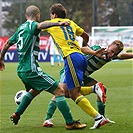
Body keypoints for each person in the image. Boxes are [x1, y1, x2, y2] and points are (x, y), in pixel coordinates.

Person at [0, 5, 87, 130]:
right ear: (38, 15)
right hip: (31, 69)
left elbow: (8, 43)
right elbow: (41, 25)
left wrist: (1, 58)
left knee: (35, 89)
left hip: (21, 70)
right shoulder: (31, 25)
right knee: (59, 91)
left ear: (25, 16)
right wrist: (59, 24)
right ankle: (70, 122)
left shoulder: (21, 28)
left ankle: (17, 113)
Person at [43, 3, 108, 129]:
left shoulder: (52, 23)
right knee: (65, 91)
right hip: (80, 57)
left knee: (74, 93)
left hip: (71, 57)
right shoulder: (70, 22)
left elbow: (38, 27)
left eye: (51, 15)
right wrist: (83, 46)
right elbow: (86, 36)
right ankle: (94, 90)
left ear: (54, 15)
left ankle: (98, 117)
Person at [43, 40, 132, 127]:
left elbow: (121, 56)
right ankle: (48, 119)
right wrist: (94, 52)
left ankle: (102, 117)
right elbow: (82, 49)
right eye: (112, 51)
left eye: (114, 54)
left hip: (83, 77)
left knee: (102, 89)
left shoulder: (110, 56)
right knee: (60, 92)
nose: (112, 55)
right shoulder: (99, 49)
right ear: (108, 46)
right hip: (70, 71)